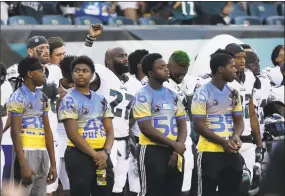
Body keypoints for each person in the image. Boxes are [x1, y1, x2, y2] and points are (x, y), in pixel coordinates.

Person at [58, 55, 115, 196]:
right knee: (81, 191)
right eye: (77, 70)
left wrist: (105, 152)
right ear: (72, 74)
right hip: (79, 157)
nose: (81, 73)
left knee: (103, 190)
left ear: (92, 75)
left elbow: (109, 129)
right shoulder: (68, 99)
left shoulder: (101, 99)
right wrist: (95, 155)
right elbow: (72, 133)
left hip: (102, 157)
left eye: (85, 71)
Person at [133, 53, 187, 196]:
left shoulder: (173, 94)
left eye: (166, 66)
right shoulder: (143, 95)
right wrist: (175, 145)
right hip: (152, 151)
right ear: (150, 73)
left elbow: (182, 123)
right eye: (161, 67)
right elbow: (145, 128)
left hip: (175, 151)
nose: (166, 69)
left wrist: (177, 148)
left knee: (174, 192)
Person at [192, 49, 244, 196]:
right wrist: (222, 142)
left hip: (232, 151)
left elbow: (239, 120)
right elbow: (198, 125)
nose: (236, 69)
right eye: (232, 66)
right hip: (209, 152)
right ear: (221, 69)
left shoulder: (233, 93)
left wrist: (236, 136)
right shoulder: (202, 92)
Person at [6, 57, 57, 195]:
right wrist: (23, 165)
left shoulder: (43, 97)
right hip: (25, 152)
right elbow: (15, 132)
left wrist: (53, 164)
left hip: (42, 152)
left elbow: (48, 131)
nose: (44, 74)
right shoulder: (18, 97)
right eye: (40, 71)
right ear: (30, 74)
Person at [225, 43, 263, 187]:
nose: (242, 61)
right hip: (229, 140)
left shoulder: (249, 76)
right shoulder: (222, 79)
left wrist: (259, 143)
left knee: (246, 186)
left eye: (244, 58)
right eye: (238, 58)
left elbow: (252, 111)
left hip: (248, 140)